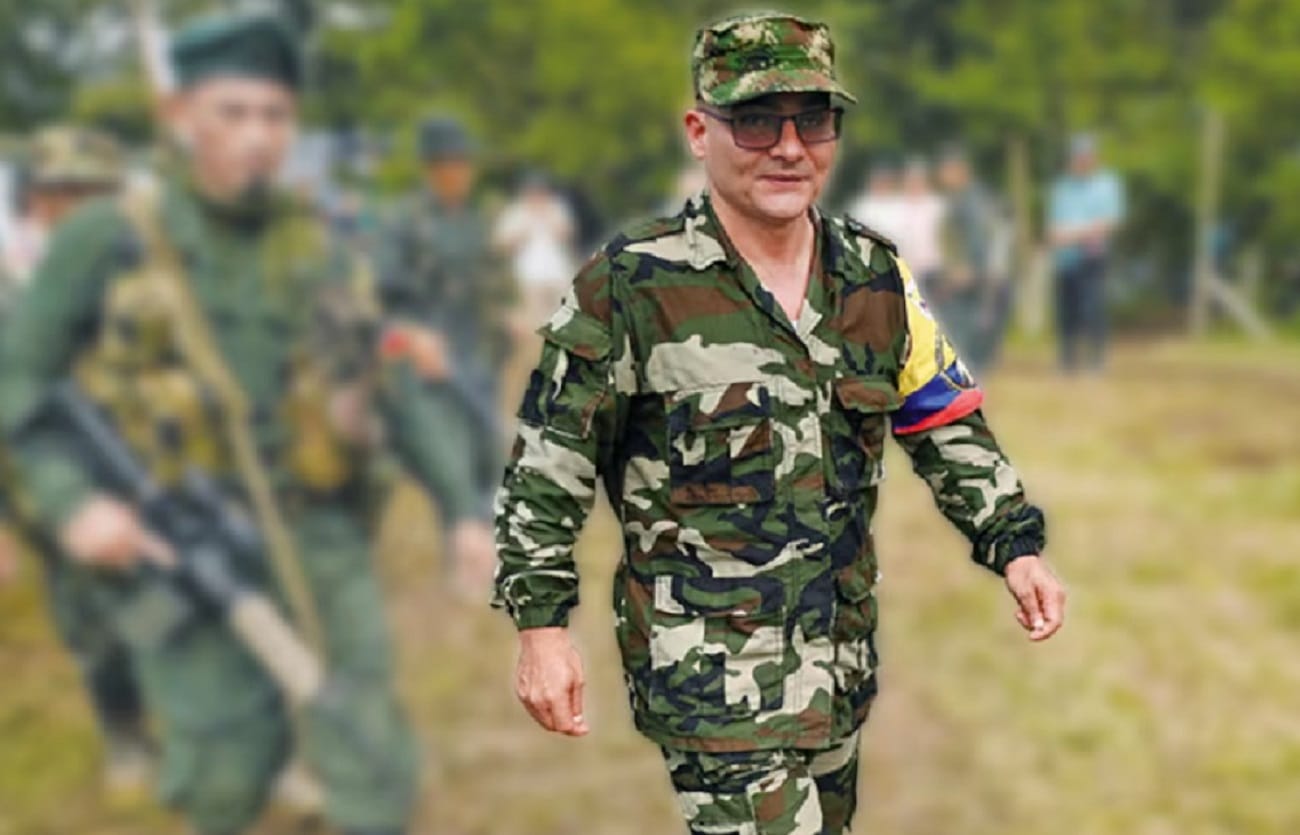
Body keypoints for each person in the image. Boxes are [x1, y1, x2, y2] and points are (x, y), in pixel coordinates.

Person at [492, 12, 1067, 834]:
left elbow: (941, 420)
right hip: (712, 684)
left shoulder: (872, 276)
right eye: (757, 121)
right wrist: (541, 625)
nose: (789, 148)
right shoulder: (630, 285)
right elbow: (548, 465)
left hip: (838, 667)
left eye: (813, 120)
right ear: (700, 131)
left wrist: (1014, 542)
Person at [0, 14, 493, 835]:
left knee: (368, 746)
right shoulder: (106, 238)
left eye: (275, 115)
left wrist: (460, 507)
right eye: (231, 112)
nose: (257, 136)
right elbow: (19, 378)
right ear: (180, 115)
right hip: (177, 541)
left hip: (318, 531)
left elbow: (390, 381)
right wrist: (71, 501)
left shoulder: (321, 243)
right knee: (223, 770)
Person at [0, 124, 160, 798]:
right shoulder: (11, 285)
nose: (79, 207)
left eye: (96, 192)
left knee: (170, 605)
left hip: (146, 470)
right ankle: (125, 731)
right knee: (91, 625)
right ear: (36, 200)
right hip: (45, 490)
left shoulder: (139, 275)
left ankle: (196, 720)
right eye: (64, 192)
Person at [379, 115, 519, 595]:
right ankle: (467, 578)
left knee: (487, 464)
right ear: (431, 168)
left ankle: (487, 570)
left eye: (464, 164)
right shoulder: (404, 222)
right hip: (423, 372)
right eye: (449, 165)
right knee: (452, 471)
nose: (459, 174)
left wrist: (508, 314)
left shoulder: (477, 223)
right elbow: (381, 301)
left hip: (476, 361)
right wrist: (413, 336)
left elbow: (494, 284)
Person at [1048, 132, 1125, 372]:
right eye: (1077, 157)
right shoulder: (1062, 187)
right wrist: (1070, 234)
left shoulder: (1106, 185)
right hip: (1066, 259)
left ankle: (1096, 360)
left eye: (1085, 157)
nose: (1081, 162)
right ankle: (1067, 360)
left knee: (1093, 309)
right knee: (1067, 312)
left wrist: (1074, 234)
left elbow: (1108, 222)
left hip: (1093, 257)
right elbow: (1054, 227)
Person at [935, 145, 1015, 374]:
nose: (943, 175)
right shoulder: (962, 199)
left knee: (973, 338)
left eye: (947, 170)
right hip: (983, 276)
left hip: (983, 278)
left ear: (961, 171)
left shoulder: (972, 201)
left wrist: (970, 270)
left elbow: (982, 240)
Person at [493, 171, 577, 329]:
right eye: (533, 192)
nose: (537, 197)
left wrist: (552, 223)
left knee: (564, 314)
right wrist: (520, 235)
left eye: (541, 192)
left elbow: (568, 234)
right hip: (530, 275)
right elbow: (501, 243)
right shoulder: (516, 212)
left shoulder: (556, 208)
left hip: (558, 272)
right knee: (537, 319)